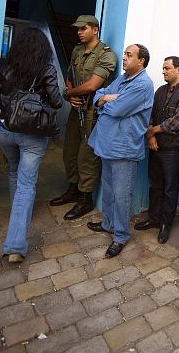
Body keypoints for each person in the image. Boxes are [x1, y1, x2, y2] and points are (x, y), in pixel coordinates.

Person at [0, 28, 63, 263]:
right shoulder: (46, 70)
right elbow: (56, 102)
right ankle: (15, 246)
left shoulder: (5, 67)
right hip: (32, 134)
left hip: (5, 130)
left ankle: (18, 216)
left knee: (14, 172)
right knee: (26, 184)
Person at [87, 44, 154, 258]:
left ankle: (121, 235)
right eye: (124, 54)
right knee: (108, 189)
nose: (123, 58)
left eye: (129, 55)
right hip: (108, 144)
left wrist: (108, 101)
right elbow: (99, 95)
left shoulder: (143, 84)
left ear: (141, 60)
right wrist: (106, 98)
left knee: (122, 195)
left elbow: (117, 110)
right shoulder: (123, 78)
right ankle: (108, 224)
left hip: (123, 148)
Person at [51, 15, 117, 221]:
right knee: (69, 150)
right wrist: (71, 95)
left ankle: (85, 197)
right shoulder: (77, 50)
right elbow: (70, 76)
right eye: (78, 29)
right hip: (76, 109)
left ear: (95, 30)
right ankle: (73, 189)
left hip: (93, 112)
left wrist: (69, 94)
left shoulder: (107, 55)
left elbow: (91, 86)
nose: (79, 32)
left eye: (84, 28)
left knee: (86, 155)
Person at [137, 57, 179, 244]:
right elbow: (150, 114)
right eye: (163, 68)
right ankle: (153, 219)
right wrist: (151, 136)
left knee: (170, 189)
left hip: (172, 149)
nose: (163, 71)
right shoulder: (160, 90)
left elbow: (177, 122)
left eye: (167, 68)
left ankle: (165, 224)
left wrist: (152, 130)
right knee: (155, 185)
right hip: (155, 146)